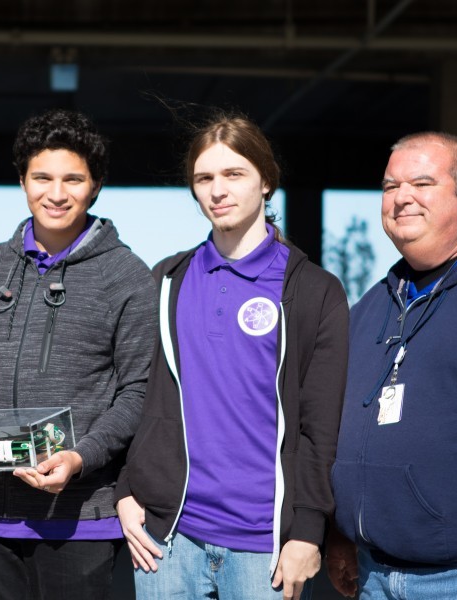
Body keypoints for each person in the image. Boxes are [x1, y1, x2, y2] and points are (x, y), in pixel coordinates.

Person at [0, 109, 159, 600]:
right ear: (21, 180)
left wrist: (81, 457)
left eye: (72, 179)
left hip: (78, 519)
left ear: (96, 184)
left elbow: (137, 391)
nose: (56, 193)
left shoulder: (126, 275)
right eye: (41, 177)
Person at [114, 113, 349, 600]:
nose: (217, 190)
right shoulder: (166, 281)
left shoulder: (313, 291)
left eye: (234, 174)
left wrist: (308, 529)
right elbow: (136, 394)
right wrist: (124, 490)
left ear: (266, 180)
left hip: (263, 546)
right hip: (167, 539)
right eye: (204, 178)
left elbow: (320, 427)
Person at [326, 132, 457, 599]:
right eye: (390, 187)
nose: (401, 198)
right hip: (374, 575)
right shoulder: (372, 306)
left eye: (421, 183)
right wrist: (339, 531)